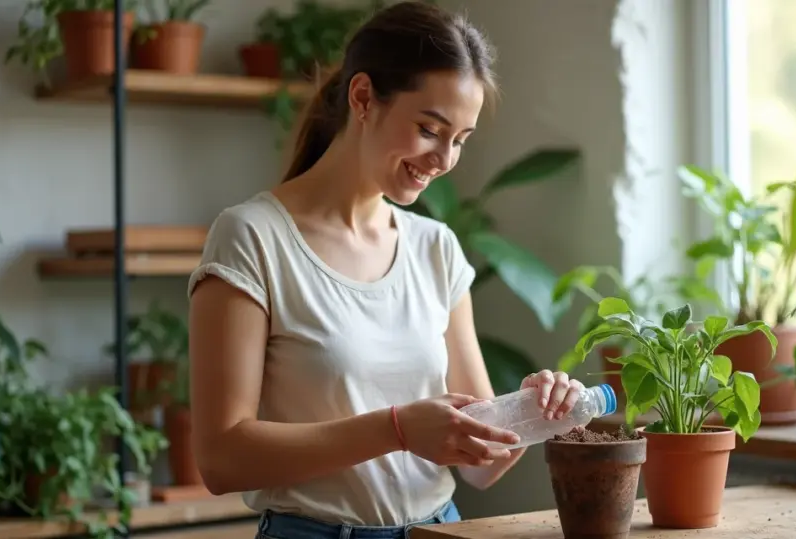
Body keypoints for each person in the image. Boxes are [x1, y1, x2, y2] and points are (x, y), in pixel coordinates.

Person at [186, 2, 586, 538]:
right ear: (363, 98)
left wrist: (534, 414)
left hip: (439, 530)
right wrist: (396, 429)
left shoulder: (435, 248)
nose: (444, 159)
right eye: (430, 128)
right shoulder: (253, 238)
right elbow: (221, 458)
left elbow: (481, 463)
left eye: (460, 140)